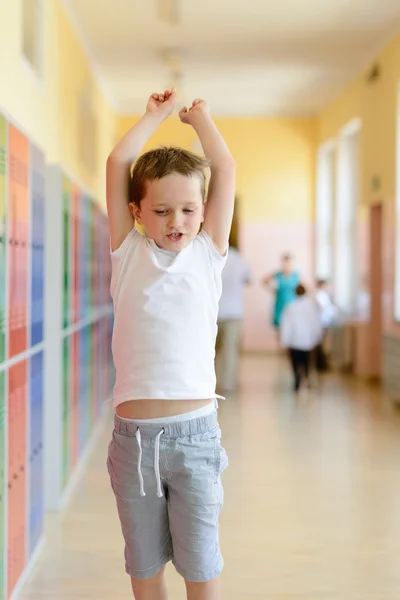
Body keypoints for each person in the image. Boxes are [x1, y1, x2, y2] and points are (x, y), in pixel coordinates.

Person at [105, 88, 235, 600]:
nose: (175, 221)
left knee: (200, 563)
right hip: (133, 441)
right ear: (137, 212)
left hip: (196, 437)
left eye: (186, 210)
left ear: (203, 211)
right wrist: (154, 116)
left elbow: (223, 164)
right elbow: (119, 160)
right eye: (161, 211)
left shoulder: (209, 254)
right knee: (143, 563)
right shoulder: (127, 253)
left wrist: (200, 119)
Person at [216, 231, 251, 393]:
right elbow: (248, 280)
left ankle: (210, 384)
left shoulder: (213, 256)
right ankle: (228, 384)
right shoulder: (240, 260)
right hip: (234, 313)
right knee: (230, 351)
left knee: (210, 351)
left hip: (212, 312)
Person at [280, 284, 322, 392]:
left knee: (295, 361)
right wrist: (316, 338)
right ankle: (306, 378)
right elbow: (316, 324)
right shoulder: (311, 307)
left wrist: (284, 341)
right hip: (308, 341)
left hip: (294, 341)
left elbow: (285, 325)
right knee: (306, 361)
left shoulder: (290, 307)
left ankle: (297, 380)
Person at [263, 254, 300, 333]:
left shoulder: (296, 275)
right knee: (280, 329)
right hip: (280, 304)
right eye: (285, 263)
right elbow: (264, 281)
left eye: (289, 263)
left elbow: (305, 288)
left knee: (292, 329)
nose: (287, 265)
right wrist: (271, 290)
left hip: (292, 304)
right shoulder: (278, 274)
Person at [315, 279, 339, 372]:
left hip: (324, 322)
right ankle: (320, 364)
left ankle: (322, 364)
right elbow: (326, 309)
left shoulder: (323, 295)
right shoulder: (319, 296)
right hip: (322, 323)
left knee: (322, 344)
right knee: (321, 344)